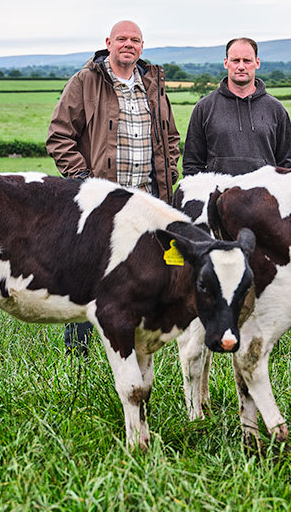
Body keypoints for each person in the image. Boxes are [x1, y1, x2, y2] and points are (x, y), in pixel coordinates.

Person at [47, 20, 180, 354]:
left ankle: (136, 343)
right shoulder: (86, 81)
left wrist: (169, 171)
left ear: (142, 46)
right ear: (108, 42)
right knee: (90, 272)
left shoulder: (153, 84)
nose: (128, 44)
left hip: (147, 199)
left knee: (144, 270)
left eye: (135, 40)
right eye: (122, 39)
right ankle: (78, 354)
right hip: (102, 200)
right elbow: (59, 135)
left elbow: (171, 137)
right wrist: (82, 180)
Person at [182, 37, 291, 176]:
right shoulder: (204, 108)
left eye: (247, 60)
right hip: (219, 195)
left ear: (257, 63)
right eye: (235, 60)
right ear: (226, 63)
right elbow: (192, 165)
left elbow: (288, 165)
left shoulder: (276, 109)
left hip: (263, 195)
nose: (241, 66)